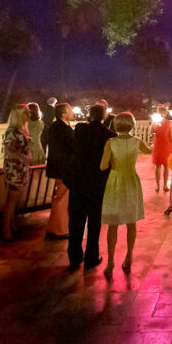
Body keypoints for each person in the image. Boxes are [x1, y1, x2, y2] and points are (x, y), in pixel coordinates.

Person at [64, 104, 116, 271]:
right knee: (94, 223)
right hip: (97, 184)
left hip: (78, 181)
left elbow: (71, 152)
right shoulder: (109, 136)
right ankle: (91, 258)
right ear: (104, 117)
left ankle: (74, 257)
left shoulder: (78, 131)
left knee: (75, 222)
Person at [99, 112, 147, 277]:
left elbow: (103, 166)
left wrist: (112, 161)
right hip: (132, 180)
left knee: (113, 223)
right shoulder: (137, 141)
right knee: (131, 222)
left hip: (115, 181)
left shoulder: (110, 142)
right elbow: (149, 150)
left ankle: (110, 261)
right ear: (132, 125)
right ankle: (129, 256)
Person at [2, 104, 33, 240]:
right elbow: (8, 150)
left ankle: (12, 224)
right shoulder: (12, 131)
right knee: (12, 198)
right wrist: (23, 158)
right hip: (15, 169)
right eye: (25, 113)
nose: (28, 115)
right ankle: (6, 230)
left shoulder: (22, 130)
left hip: (21, 168)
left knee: (15, 198)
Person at [43, 102, 74, 239]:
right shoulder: (63, 129)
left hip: (58, 167)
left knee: (61, 196)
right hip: (63, 168)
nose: (72, 112)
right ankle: (58, 229)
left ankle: (57, 226)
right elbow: (72, 147)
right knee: (62, 197)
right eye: (70, 110)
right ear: (63, 114)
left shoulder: (55, 127)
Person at [150, 104, 172, 192]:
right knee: (162, 166)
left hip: (163, 145)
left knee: (161, 166)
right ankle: (162, 186)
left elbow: (151, 135)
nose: (164, 114)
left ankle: (160, 186)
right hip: (162, 145)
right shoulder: (166, 123)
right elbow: (171, 136)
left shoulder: (155, 122)